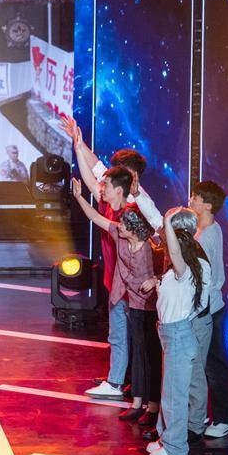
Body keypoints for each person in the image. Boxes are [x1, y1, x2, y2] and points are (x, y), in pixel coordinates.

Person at [62, 115, 151, 400]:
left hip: (129, 284)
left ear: (129, 178)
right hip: (116, 278)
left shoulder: (134, 208)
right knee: (120, 333)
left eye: (113, 176)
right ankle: (121, 380)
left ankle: (126, 385)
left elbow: (95, 185)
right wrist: (78, 144)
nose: (105, 180)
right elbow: (94, 176)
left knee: (130, 335)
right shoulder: (114, 199)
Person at [71, 185, 161, 427]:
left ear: (134, 229)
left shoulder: (151, 250)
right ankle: (137, 403)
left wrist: (155, 280)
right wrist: (79, 197)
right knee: (137, 355)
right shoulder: (120, 236)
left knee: (148, 355)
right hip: (126, 298)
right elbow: (95, 217)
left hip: (147, 306)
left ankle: (152, 406)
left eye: (123, 224)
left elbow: (166, 272)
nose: (118, 226)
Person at [143, 208, 212, 455]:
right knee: (170, 392)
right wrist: (156, 282)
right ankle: (166, 439)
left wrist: (167, 222)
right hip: (173, 336)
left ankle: (176, 449)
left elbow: (174, 254)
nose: (168, 253)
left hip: (179, 335)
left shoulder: (188, 269)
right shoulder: (179, 271)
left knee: (175, 396)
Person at [189, 181, 228, 438]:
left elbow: (206, 279)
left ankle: (224, 419)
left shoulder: (206, 236)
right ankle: (204, 414)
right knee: (206, 364)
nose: (191, 200)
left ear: (207, 205)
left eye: (196, 197)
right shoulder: (207, 229)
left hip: (209, 308)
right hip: (209, 306)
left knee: (213, 365)